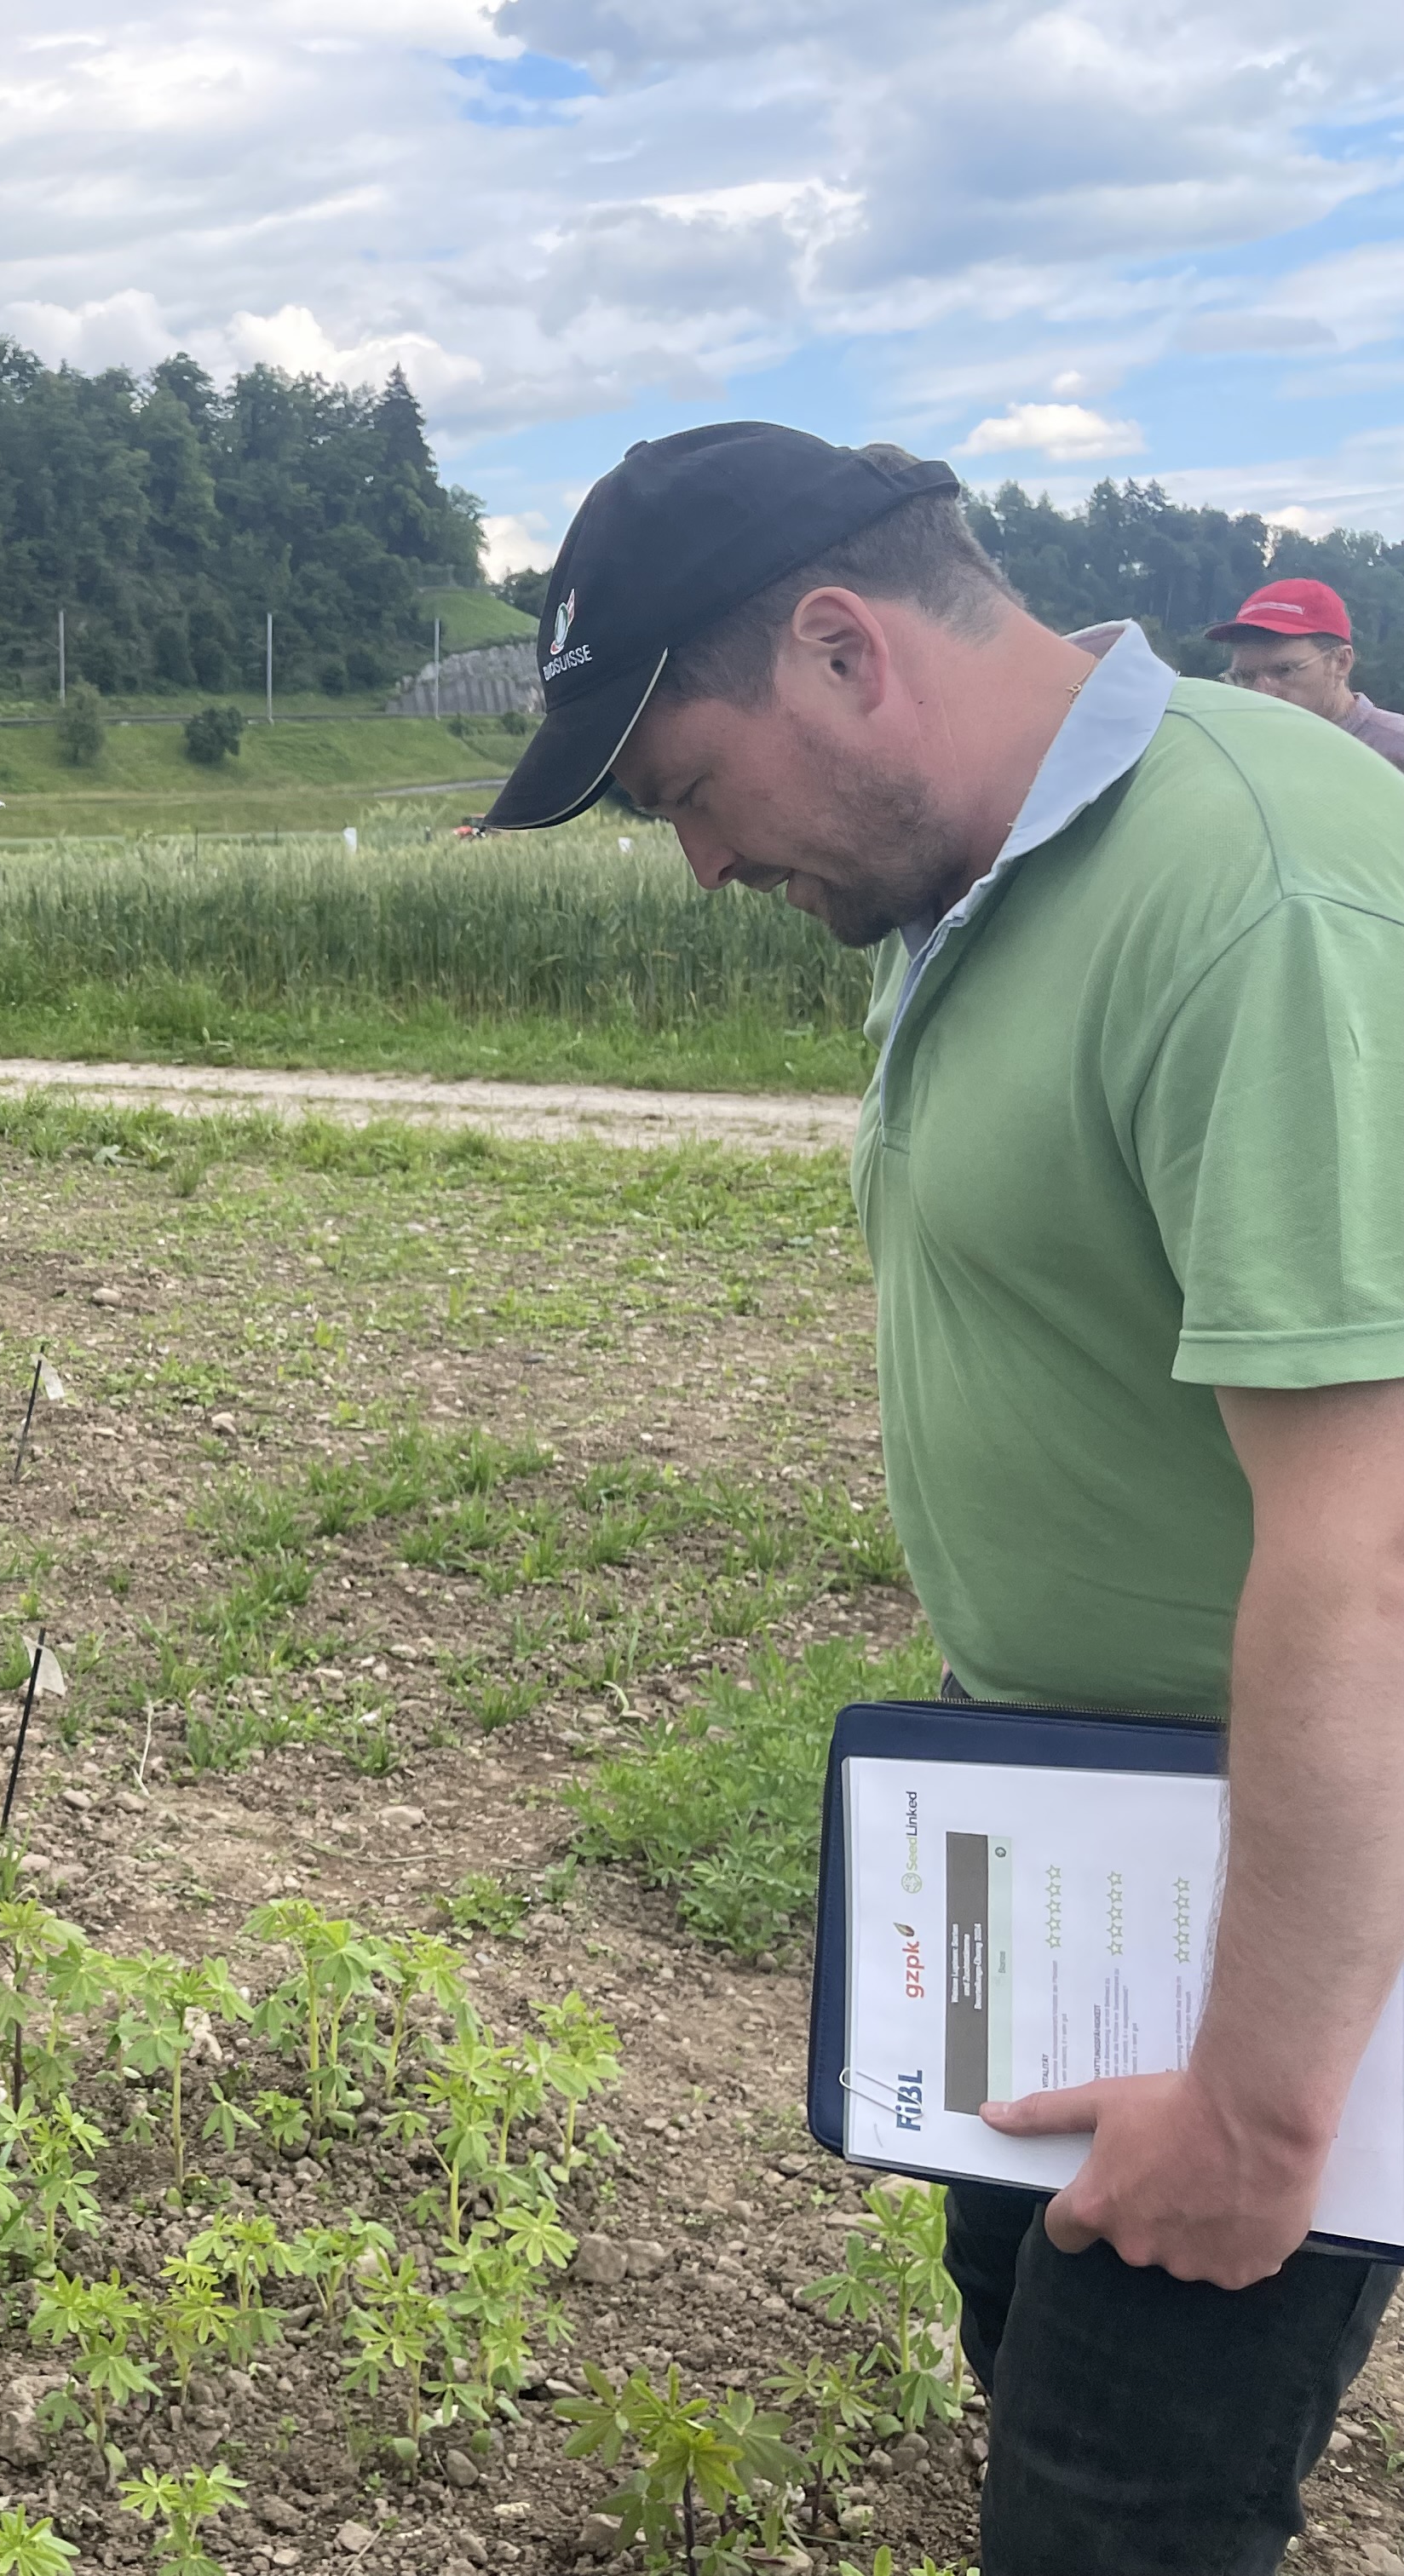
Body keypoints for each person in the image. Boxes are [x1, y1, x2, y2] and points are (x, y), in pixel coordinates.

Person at [486, 423, 1404, 2574]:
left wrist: (1263, 2113)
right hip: (1074, 1846)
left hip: (1256, 1878)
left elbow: (1370, 1554)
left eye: (685, 790)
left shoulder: (1255, 892)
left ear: (837, 652)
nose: (698, 867)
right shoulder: (982, 877)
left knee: (1117, 2517)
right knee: (1036, 2363)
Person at [1206, 576, 1404, 771]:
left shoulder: (1395, 749)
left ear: (1341, 662)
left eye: (1283, 671)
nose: (1261, 693)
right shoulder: (1231, 751)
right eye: (1244, 677)